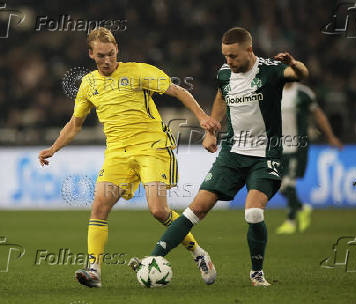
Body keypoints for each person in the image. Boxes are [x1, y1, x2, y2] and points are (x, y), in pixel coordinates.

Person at [38, 27, 220, 288]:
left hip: (152, 147)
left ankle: (199, 254)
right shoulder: (88, 84)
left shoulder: (137, 71)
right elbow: (75, 123)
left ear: (117, 51)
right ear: (91, 54)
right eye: (101, 55)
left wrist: (202, 118)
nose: (107, 60)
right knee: (99, 205)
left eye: (111, 54)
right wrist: (54, 148)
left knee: (158, 210)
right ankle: (94, 270)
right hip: (117, 153)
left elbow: (179, 91)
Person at [129, 27, 309, 286]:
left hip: (265, 155)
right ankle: (152, 258)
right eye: (225, 55)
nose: (229, 61)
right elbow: (221, 97)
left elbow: (302, 74)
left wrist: (295, 64)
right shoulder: (225, 74)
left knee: (254, 214)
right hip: (232, 154)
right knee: (196, 209)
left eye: (233, 56)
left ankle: (256, 273)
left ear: (249, 50)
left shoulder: (271, 70)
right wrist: (212, 129)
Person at [276, 82, 343, 234]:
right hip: (278, 146)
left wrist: (331, 137)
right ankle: (302, 208)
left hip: (297, 146)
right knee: (280, 187)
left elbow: (318, 115)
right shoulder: (274, 90)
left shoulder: (303, 93)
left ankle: (291, 221)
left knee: (289, 183)